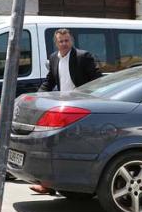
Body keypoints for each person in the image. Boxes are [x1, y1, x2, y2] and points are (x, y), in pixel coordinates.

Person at [30, 28, 102, 194]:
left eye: (66, 40)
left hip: (82, 108)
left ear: (72, 41)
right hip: (64, 108)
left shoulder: (83, 57)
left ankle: (72, 185)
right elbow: (49, 81)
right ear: (56, 43)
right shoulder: (54, 58)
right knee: (54, 145)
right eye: (61, 41)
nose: (64, 44)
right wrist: (38, 97)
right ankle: (48, 184)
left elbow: (97, 80)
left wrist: (89, 99)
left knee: (74, 148)